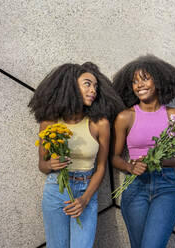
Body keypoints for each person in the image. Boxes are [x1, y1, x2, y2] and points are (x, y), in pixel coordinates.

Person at [28, 62, 124, 248]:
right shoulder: (50, 122)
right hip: (56, 189)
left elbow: (101, 167)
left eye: (95, 86)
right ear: (70, 86)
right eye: (87, 84)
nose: (93, 90)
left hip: (85, 190)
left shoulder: (100, 124)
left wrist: (85, 199)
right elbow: (42, 165)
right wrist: (51, 165)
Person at [111, 54, 175, 248]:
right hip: (135, 188)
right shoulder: (126, 117)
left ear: (158, 80)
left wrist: (159, 161)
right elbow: (114, 157)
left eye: (145, 78)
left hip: (166, 187)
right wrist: (130, 167)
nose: (139, 85)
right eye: (134, 81)